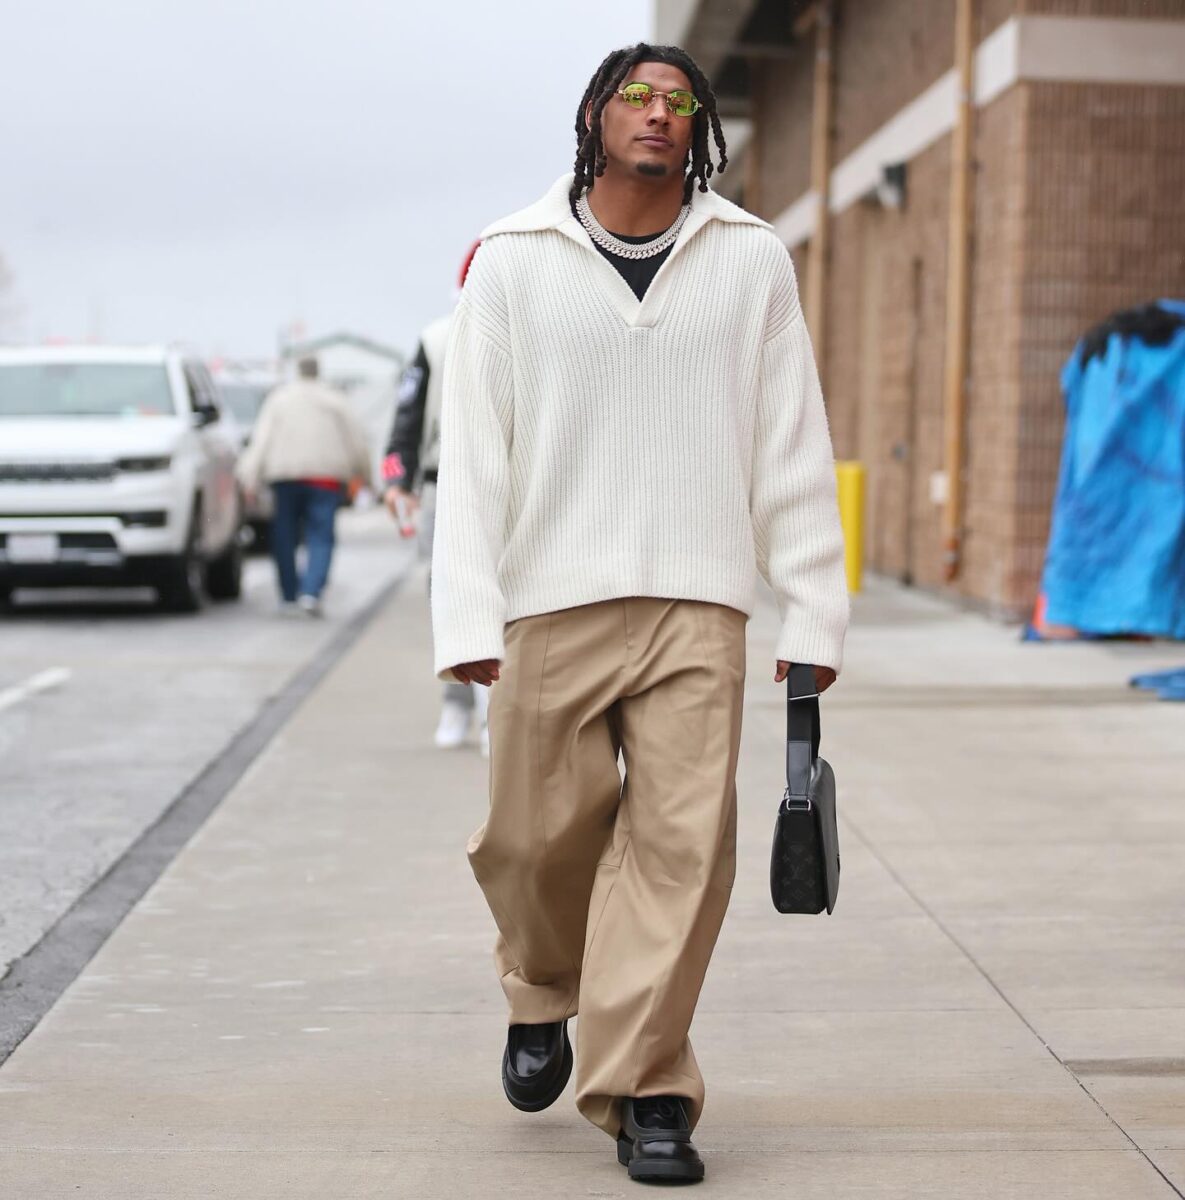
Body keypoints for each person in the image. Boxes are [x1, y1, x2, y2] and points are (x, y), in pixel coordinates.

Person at [431, 43, 849, 1185]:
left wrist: (813, 610)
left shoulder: (751, 259)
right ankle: (542, 989)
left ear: (702, 130)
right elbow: (471, 454)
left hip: (699, 604)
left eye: (681, 102)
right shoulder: (514, 261)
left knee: (682, 851)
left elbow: (791, 439)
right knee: (531, 839)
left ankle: (646, 1088)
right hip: (546, 602)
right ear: (593, 118)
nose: (659, 114)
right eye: (636, 96)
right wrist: (466, 613)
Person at [382, 247, 488, 750]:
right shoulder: (436, 340)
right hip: (443, 480)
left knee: (511, 599)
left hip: (513, 482)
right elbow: (409, 411)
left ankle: (495, 714)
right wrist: (396, 478)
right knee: (449, 598)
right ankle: (458, 705)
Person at [236, 356, 373, 616]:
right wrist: (367, 476)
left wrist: (249, 478)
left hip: (285, 476)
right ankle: (311, 593)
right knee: (321, 536)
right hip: (326, 478)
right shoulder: (335, 400)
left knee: (284, 536)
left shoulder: (279, 399)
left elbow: (261, 440)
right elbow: (357, 441)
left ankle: (289, 596)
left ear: (297, 371)